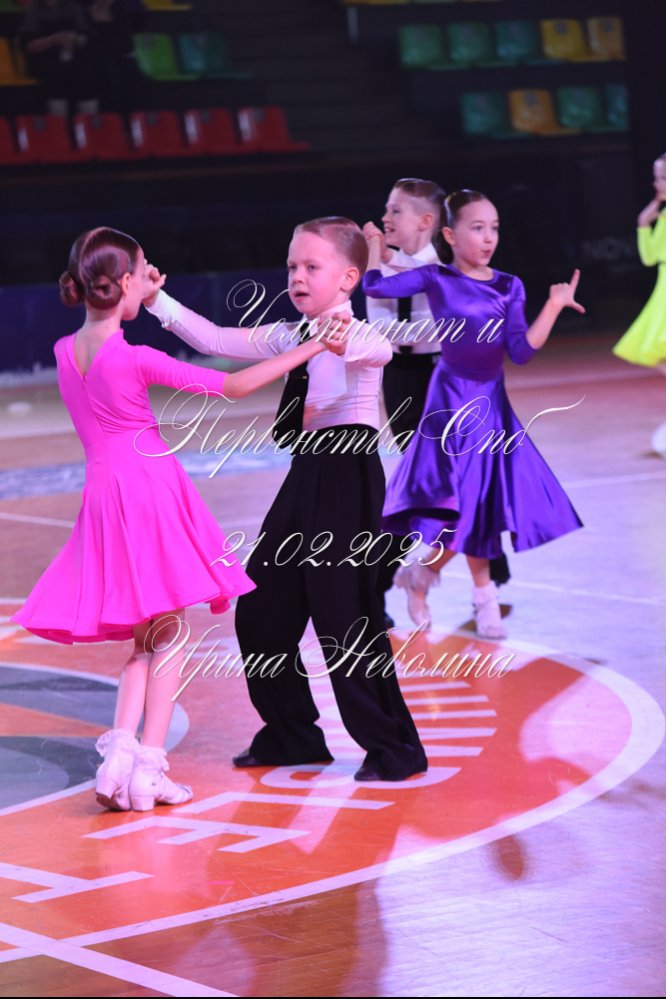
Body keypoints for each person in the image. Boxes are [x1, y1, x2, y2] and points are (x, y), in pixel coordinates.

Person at [12, 226, 337, 812]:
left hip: (102, 496)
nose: (149, 278)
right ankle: (149, 770)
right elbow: (233, 386)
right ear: (124, 283)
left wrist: (146, 292)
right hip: (150, 492)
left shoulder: (63, 352)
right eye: (143, 272)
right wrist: (311, 347)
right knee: (172, 635)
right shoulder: (134, 358)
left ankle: (119, 756)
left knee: (147, 635)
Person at [144, 216, 428, 782]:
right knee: (262, 611)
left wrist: (347, 340)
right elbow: (215, 340)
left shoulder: (354, 333)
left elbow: (379, 351)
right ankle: (293, 734)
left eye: (311, 267)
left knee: (346, 620)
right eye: (292, 265)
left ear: (348, 278)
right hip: (305, 476)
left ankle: (395, 748)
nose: (297, 276)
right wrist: (157, 301)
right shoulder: (293, 336)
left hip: (347, 478)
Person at [363, 190, 584, 639]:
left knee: (480, 505)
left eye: (494, 228)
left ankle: (430, 579)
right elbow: (373, 287)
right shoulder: (436, 277)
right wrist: (372, 248)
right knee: (461, 504)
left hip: (490, 403)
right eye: (477, 228)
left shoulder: (509, 285)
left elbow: (520, 352)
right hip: (448, 400)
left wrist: (553, 306)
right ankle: (468, 593)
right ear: (450, 234)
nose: (488, 238)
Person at [363, 178, 511, 627]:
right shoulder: (384, 269)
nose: (385, 218)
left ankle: (481, 578)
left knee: (468, 483)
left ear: (426, 221)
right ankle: (381, 590)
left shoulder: (448, 272)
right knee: (422, 492)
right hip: (405, 384)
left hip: (449, 380)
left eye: (396, 211)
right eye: (387, 209)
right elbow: (385, 332)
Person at [613, 153, 666, 369]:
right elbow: (649, 258)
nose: (656, 183)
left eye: (663, 178)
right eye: (657, 177)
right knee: (657, 350)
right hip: (663, 287)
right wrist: (643, 223)